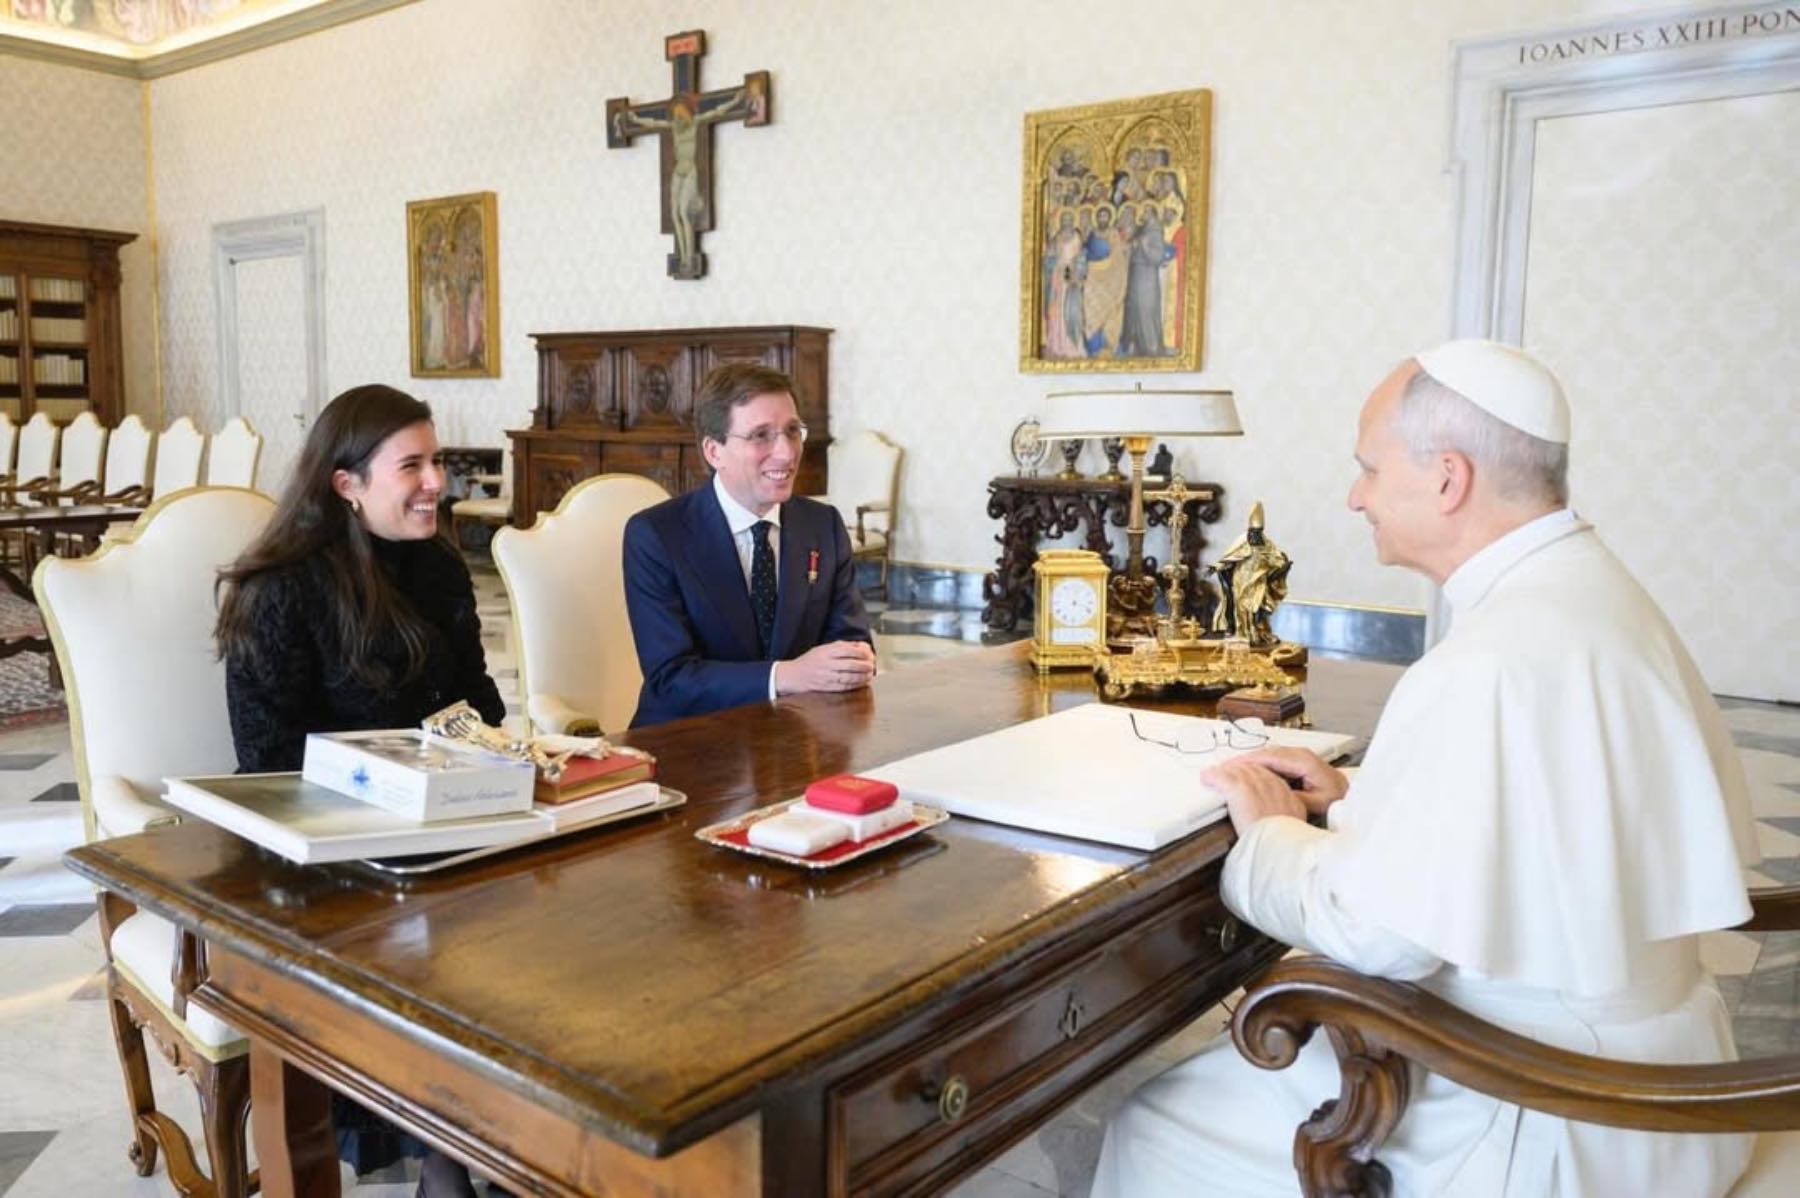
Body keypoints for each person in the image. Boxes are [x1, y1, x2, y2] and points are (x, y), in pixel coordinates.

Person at [1093, 341, 1760, 1197]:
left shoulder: (1484, 659)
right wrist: (1359, 795)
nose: (1355, 496)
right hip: (1664, 1083)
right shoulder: (1592, 590)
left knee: (1156, 1126)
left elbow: (1382, 939)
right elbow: (1554, 815)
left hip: (1546, 1103)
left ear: (1448, 479)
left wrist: (1270, 834)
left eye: (1370, 469)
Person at [215, 383, 506, 1198]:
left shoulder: (441, 564)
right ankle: (450, 1151)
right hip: (331, 850)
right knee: (440, 939)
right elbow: (268, 762)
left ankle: (499, 1139)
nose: (436, 483)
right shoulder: (279, 588)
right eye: (411, 465)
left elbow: (479, 703)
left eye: (436, 460)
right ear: (346, 484)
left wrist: (484, 756)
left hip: (442, 817)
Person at [623, 362, 875, 727]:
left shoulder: (824, 526)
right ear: (714, 451)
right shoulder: (657, 535)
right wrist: (789, 675)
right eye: (761, 435)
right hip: (688, 745)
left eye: (792, 431)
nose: (787, 453)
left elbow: (851, 641)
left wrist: (853, 662)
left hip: (798, 741)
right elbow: (670, 678)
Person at [1206, 501, 1291, 646]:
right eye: (1253, 532)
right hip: (1241, 582)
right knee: (1241, 610)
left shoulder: (1266, 544)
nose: (1254, 536)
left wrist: (1283, 565)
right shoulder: (1241, 541)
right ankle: (1243, 634)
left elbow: (1276, 558)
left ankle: (1258, 632)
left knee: (1258, 609)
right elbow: (1229, 558)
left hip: (1258, 582)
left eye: (1258, 533)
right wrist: (1217, 567)